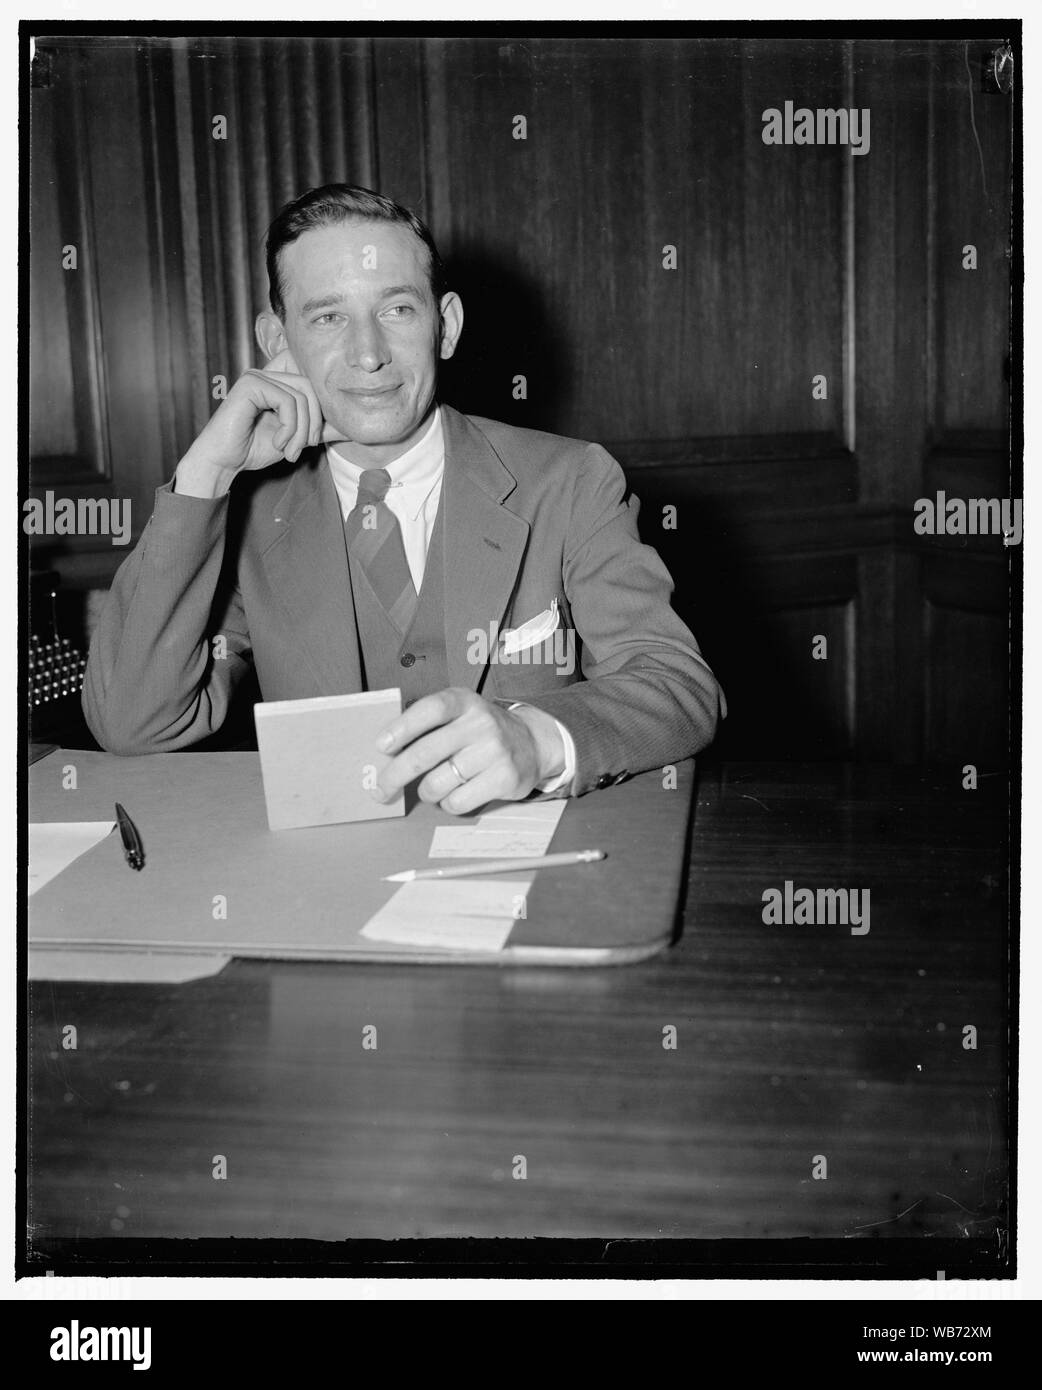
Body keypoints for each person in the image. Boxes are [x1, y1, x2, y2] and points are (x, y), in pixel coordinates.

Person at [83, 184, 724, 814]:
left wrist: (535, 738)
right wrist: (203, 476)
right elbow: (135, 724)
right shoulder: (243, 515)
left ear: (444, 327)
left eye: (396, 310)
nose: (369, 356)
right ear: (278, 343)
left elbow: (679, 686)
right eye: (328, 316)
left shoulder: (570, 480)